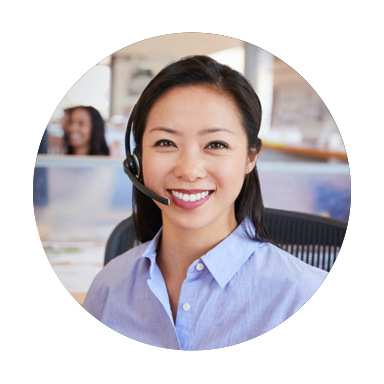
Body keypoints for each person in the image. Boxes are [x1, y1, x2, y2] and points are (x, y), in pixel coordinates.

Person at [83, 55, 327, 350]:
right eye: (165, 143)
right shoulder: (108, 288)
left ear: (251, 157)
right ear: (137, 160)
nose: (188, 170)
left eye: (216, 144)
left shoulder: (306, 297)